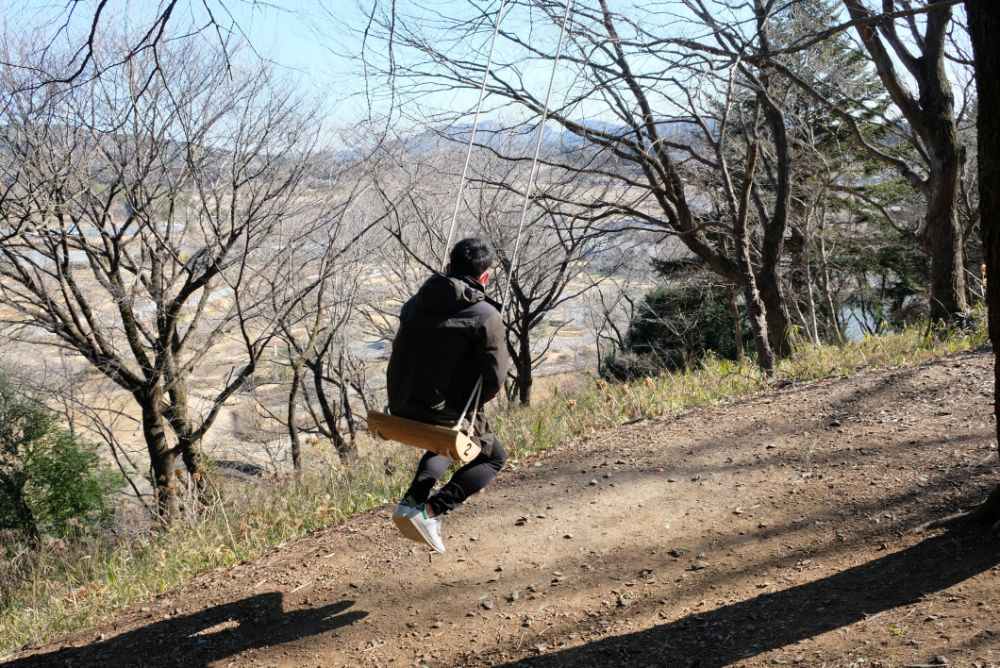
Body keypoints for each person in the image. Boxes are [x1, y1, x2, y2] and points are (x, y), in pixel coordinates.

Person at [386, 238, 509, 553]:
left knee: (449, 436)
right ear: (484, 278)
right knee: (493, 457)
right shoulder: (484, 314)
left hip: (401, 404)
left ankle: (413, 501)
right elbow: (495, 377)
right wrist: (473, 403)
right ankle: (429, 512)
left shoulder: (415, 303)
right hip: (445, 410)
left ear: (448, 267)